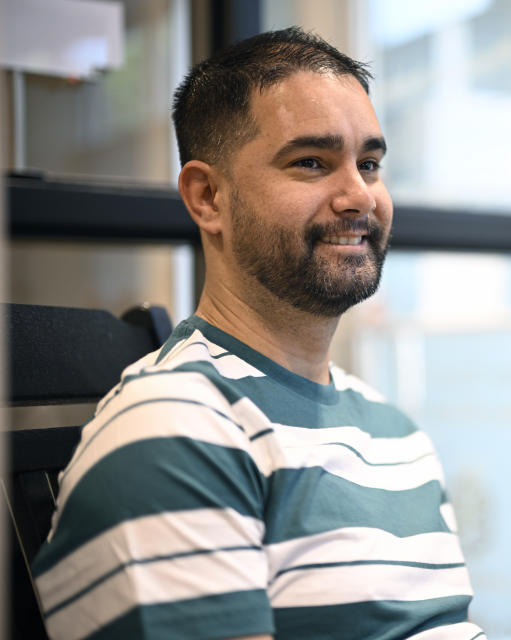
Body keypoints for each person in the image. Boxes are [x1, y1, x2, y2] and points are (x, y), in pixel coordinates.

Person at [32, 27, 485, 640]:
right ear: (208, 197)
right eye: (311, 163)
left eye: (369, 164)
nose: (359, 195)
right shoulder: (173, 429)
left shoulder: (396, 435)